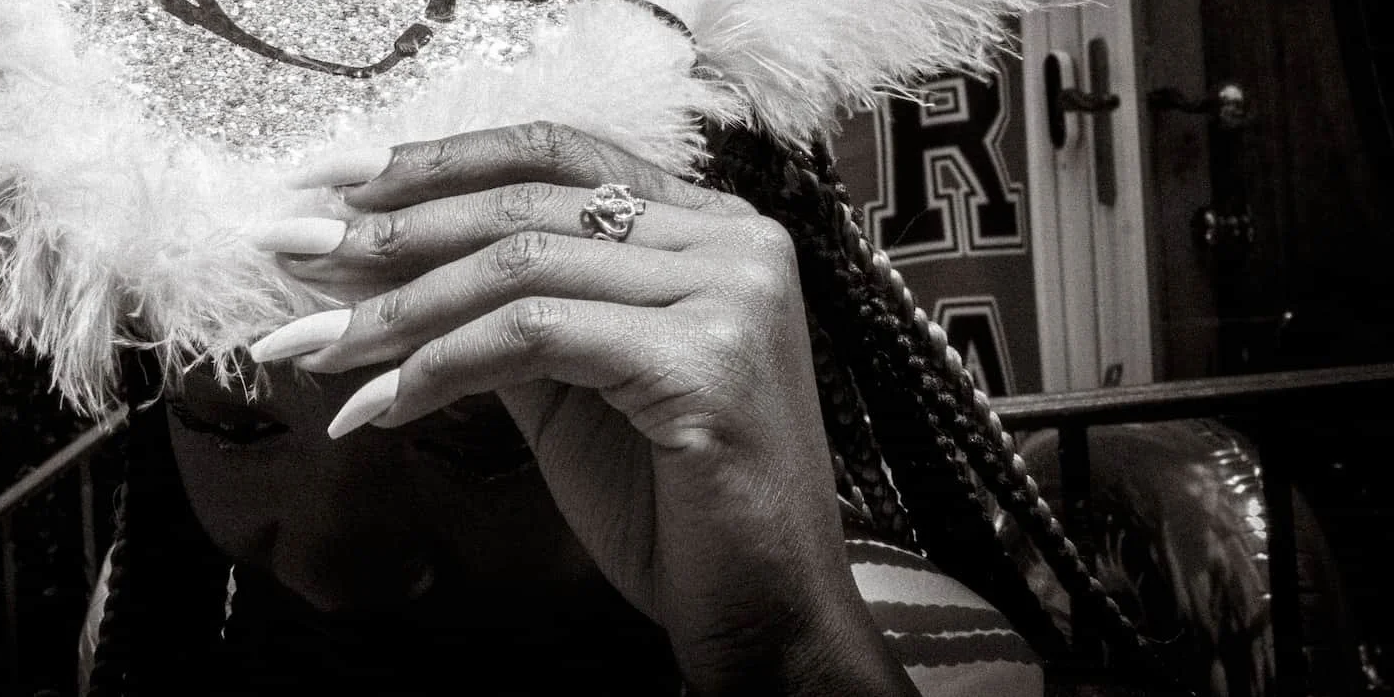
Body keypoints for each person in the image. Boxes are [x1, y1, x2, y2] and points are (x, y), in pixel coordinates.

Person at [79, 119, 1162, 695]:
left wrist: (780, 657)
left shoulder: (936, 662)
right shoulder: (144, 633)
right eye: (227, 423)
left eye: (475, 428)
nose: (329, 563)